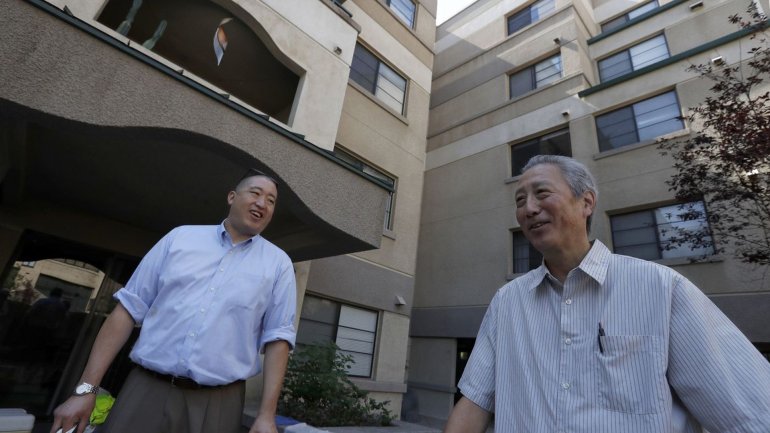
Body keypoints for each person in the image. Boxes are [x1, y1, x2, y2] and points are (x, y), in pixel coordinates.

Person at [444, 155, 770, 433]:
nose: (529, 209)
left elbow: (748, 415)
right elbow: (475, 402)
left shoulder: (660, 287)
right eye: (519, 201)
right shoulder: (507, 301)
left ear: (586, 202)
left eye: (542, 193)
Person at [51, 170, 297, 433]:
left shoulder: (278, 264)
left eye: (271, 200)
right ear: (232, 197)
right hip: (146, 388)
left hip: (219, 403)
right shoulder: (179, 238)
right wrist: (86, 389)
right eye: (256, 193)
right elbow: (128, 310)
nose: (263, 203)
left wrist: (266, 416)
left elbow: (278, 338)